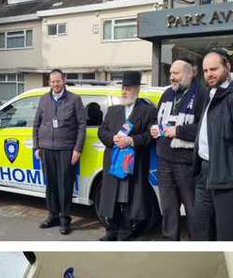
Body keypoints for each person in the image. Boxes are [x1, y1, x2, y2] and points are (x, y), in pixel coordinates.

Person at [97, 72, 158, 241]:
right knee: (112, 198)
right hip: (113, 161)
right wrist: (113, 138)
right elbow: (102, 131)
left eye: (129, 88)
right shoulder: (113, 110)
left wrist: (131, 140)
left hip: (133, 163)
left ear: (137, 90)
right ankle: (111, 230)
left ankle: (126, 231)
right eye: (123, 88)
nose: (125, 91)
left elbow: (149, 135)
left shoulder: (148, 111)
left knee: (129, 198)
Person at [192, 50, 233, 241]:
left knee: (228, 233)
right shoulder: (210, 94)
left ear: (228, 67)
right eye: (205, 70)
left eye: (214, 69)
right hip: (205, 171)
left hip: (228, 177)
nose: (209, 74)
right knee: (200, 228)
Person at [150, 58, 206, 241]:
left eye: (176, 73)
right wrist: (155, 128)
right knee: (168, 208)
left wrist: (179, 131)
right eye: (171, 73)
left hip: (187, 163)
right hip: (164, 160)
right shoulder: (167, 94)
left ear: (190, 73)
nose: (172, 77)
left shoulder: (201, 94)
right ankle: (170, 241)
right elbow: (160, 120)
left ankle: (196, 244)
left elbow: (205, 128)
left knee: (192, 210)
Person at [33, 69, 86, 236]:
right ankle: (52, 216)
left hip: (66, 149)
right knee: (51, 185)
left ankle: (64, 219)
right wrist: (36, 147)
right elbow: (36, 125)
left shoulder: (74, 99)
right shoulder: (43, 100)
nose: (55, 84)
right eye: (52, 81)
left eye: (58, 81)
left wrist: (77, 149)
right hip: (47, 149)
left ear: (64, 80)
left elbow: (81, 127)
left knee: (65, 186)